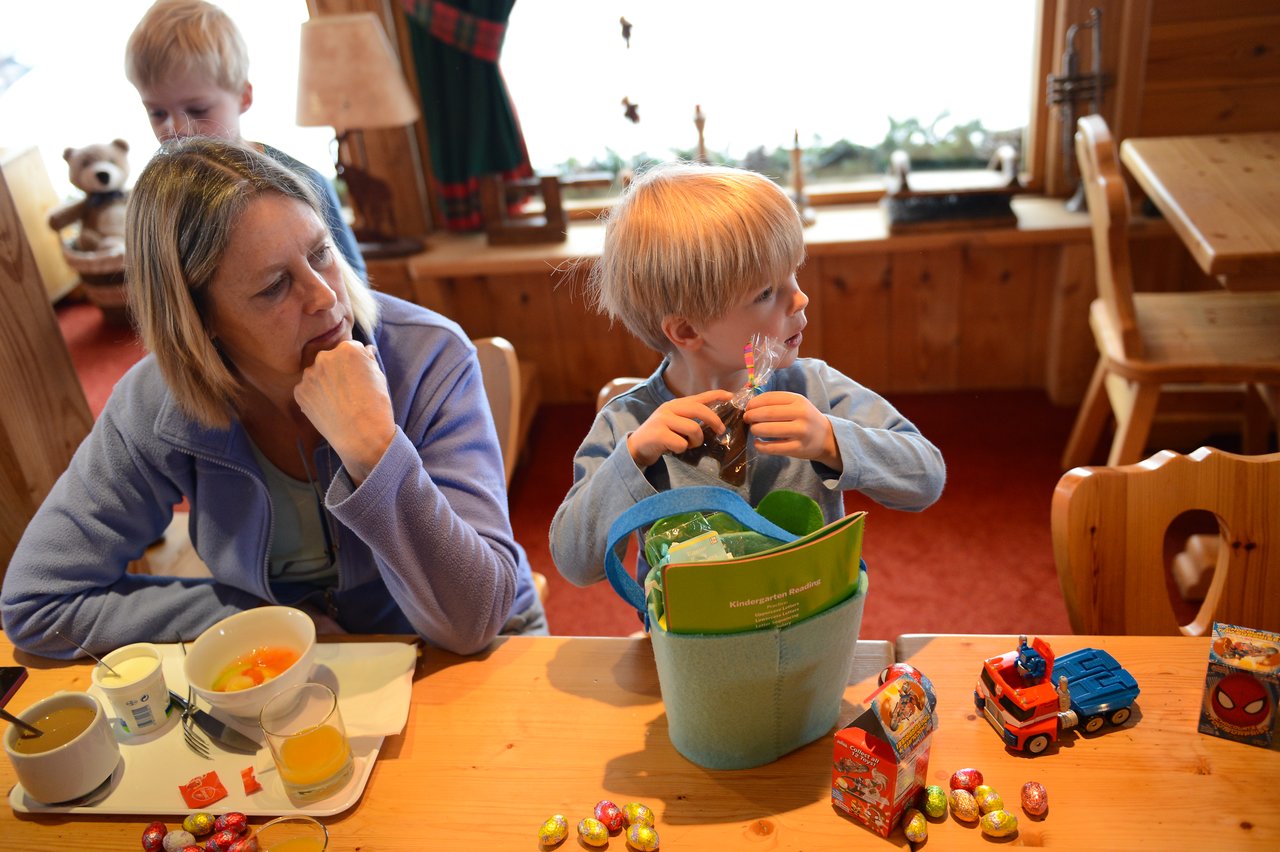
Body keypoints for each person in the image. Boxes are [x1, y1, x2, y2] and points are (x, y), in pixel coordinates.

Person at [1, 137, 545, 657]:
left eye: (321, 252)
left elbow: (473, 622)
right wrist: (258, 622)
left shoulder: (427, 355)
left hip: (478, 650)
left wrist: (374, 451)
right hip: (302, 667)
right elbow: (37, 601)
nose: (326, 295)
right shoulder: (155, 405)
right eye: (274, 287)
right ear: (199, 321)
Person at [549, 162, 946, 587]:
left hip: (812, 630)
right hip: (691, 648)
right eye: (764, 293)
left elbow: (926, 478)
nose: (800, 298)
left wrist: (832, 441)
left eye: (794, 272)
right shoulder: (627, 425)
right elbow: (575, 564)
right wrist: (633, 459)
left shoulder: (815, 389)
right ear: (686, 330)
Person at [124, 0, 366, 282]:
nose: (177, 130)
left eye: (198, 110)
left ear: (243, 97)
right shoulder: (162, 199)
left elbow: (352, 281)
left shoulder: (303, 182)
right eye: (157, 113)